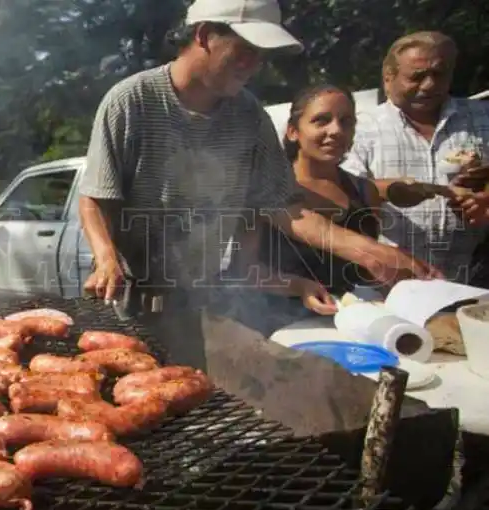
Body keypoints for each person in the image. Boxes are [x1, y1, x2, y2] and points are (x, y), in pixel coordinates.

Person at [77, 0, 440, 365]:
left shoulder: (249, 114)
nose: (253, 66)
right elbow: (95, 197)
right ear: (204, 36)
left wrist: (371, 252)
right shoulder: (132, 100)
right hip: (133, 307)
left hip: (212, 305)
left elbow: (286, 209)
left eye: (260, 55)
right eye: (244, 51)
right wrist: (106, 258)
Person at [247, 84, 452, 333]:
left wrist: (400, 278)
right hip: (277, 326)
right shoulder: (265, 190)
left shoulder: (364, 192)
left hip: (349, 326)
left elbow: (363, 270)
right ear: (293, 131)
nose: (335, 130)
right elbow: (244, 270)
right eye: (321, 120)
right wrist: (298, 286)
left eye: (346, 122)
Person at [342, 31, 489, 283]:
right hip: (391, 279)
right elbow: (342, 191)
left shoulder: (482, 117)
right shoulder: (361, 128)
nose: (429, 84)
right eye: (417, 76)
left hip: (475, 276)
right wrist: (390, 189)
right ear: (388, 79)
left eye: (439, 74)